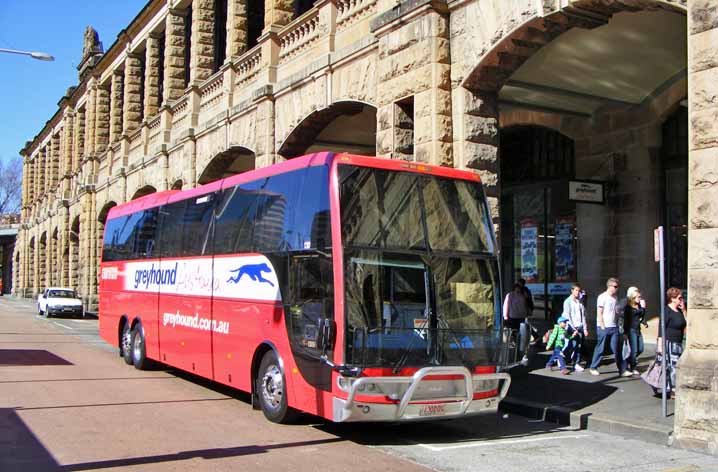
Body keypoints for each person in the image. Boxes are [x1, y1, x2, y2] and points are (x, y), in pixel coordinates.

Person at [589, 277, 624, 376]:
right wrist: (602, 326)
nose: (617, 288)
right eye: (615, 286)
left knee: (616, 348)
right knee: (601, 348)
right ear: (610, 286)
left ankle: (622, 369)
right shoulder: (602, 297)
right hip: (603, 327)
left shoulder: (615, 298)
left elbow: (615, 311)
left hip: (614, 327)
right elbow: (599, 312)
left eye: (618, 287)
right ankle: (593, 367)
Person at [662, 287, 687, 398]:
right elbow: (661, 328)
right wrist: (660, 345)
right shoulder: (667, 310)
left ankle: (673, 388)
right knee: (673, 367)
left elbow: (687, 323)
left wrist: (684, 310)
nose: (681, 300)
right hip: (669, 342)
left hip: (678, 342)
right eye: (679, 298)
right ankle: (672, 390)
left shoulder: (680, 311)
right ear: (672, 298)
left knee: (676, 367)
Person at [562, 283, 588, 371]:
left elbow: (583, 315)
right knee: (570, 345)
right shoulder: (567, 301)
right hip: (571, 327)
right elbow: (568, 316)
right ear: (572, 290)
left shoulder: (580, 302)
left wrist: (585, 328)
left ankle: (576, 363)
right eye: (576, 290)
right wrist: (573, 329)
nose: (577, 292)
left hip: (579, 326)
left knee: (578, 345)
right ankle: (560, 358)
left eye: (579, 291)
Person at [623, 286, 647, 376]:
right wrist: (625, 333)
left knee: (641, 348)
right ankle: (633, 367)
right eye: (638, 297)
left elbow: (641, 316)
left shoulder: (639, 306)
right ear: (633, 297)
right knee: (634, 350)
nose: (640, 299)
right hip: (631, 329)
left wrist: (643, 309)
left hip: (637, 329)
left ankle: (627, 361)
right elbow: (627, 320)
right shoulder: (628, 307)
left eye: (640, 297)